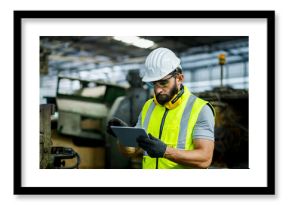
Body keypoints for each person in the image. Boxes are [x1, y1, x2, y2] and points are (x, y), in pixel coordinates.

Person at [107, 47, 215, 169]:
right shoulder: (149, 106)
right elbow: (131, 151)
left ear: (179, 79)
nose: (157, 90)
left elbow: (204, 159)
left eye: (163, 83)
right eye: (154, 83)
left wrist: (165, 151)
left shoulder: (200, 109)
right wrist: (124, 136)